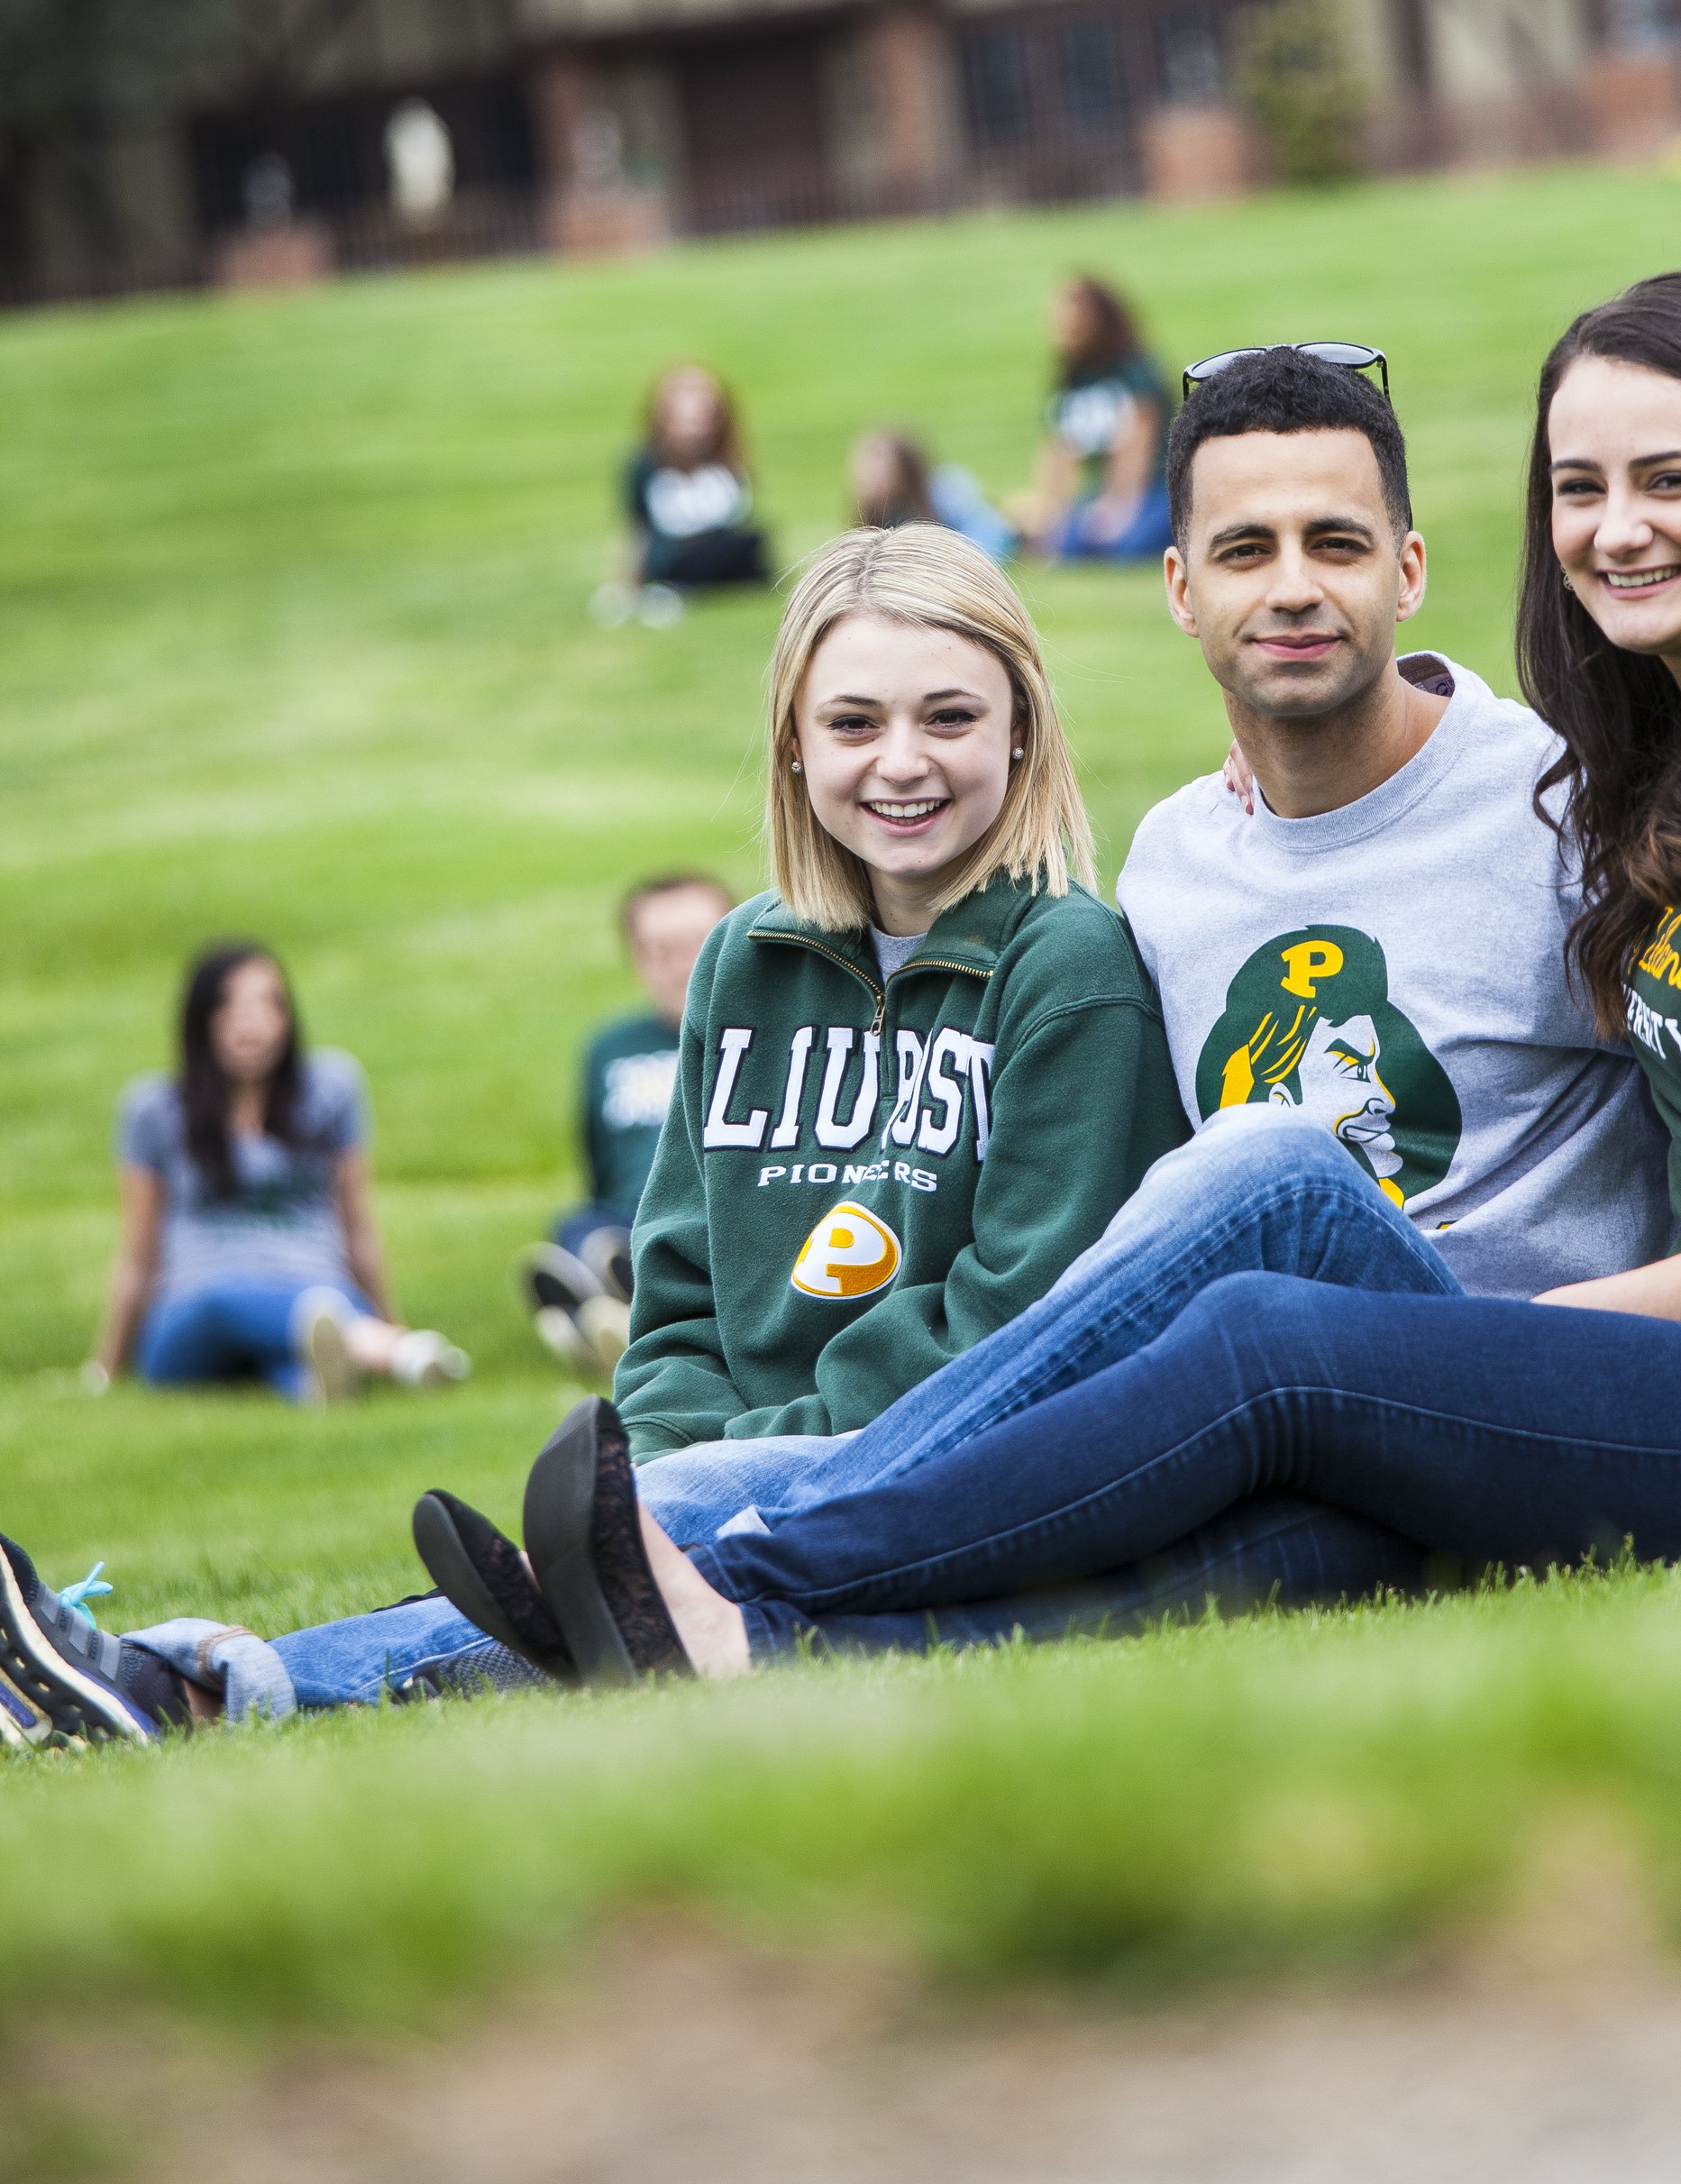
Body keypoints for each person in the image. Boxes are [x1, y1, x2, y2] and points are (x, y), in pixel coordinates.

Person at [416, 278, 1681, 1689]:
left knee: (1272, 1278)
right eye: (1579, 486)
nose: (1616, 526)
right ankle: (258, 1676)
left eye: (1670, 480)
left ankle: (741, 1567)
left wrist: (1524, 1347)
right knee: (1210, 1514)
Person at [0, 529, 1191, 1741]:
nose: (901, 762)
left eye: (949, 717)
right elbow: (676, 1294)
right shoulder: (747, 958)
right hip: (733, 1475)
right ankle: (185, 1683)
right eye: (851, 723)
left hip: (956, 1466)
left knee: (571, 1601)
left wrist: (706, 1478)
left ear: (1021, 731)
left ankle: (185, 1680)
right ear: (792, 739)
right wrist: (662, 1475)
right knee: (573, 1616)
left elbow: (1017, 1323)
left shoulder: (1068, 965)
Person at [89, 943, 469, 1411]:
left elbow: (358, 1229)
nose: (250, 1023)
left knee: (305, 1342)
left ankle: (319, 1388)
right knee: (226, 1301)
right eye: (230, 1005)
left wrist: (387, 1315)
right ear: (200, 1018)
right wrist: (106, 1366)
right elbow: (137, 1256)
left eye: (268, 1002)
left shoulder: (331, 1090)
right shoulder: (153, 1109)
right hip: (192, 1312)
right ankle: (399, 1355)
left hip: (317, 1288)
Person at [520, 872, 733, 1384]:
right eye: (662, 951)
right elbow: (596, 1155)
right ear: (636, 959)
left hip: (717, 1218)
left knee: (656, 1248)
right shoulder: (610, 1048)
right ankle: (611, 1304)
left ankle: (601, 1316)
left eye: (700, 946)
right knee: (578, 1230)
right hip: (625, 1216)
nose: (684, 967)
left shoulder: (760, 1034)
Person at [596, 363, 771, 626]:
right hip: (679, 558)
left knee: (746, 543)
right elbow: (637, 528)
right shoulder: (646, 466)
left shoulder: (728, 460)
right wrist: (627, 585)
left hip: (724, 549)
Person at [1019, 277, 1172, 562]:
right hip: (1103, 490)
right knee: (1070, 547)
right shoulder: (1072, 379)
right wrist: (1047, 513)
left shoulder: (1133, 372)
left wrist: (1118, 506)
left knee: (1128, 549)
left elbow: (1136, 449)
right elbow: (1060, 448)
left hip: (1153, 488)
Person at [848, 429, 1019, 566]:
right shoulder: (882, 509)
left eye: (876, 472)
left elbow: (986, 533)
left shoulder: (943, 492)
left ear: (902, 470)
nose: (866, 478)